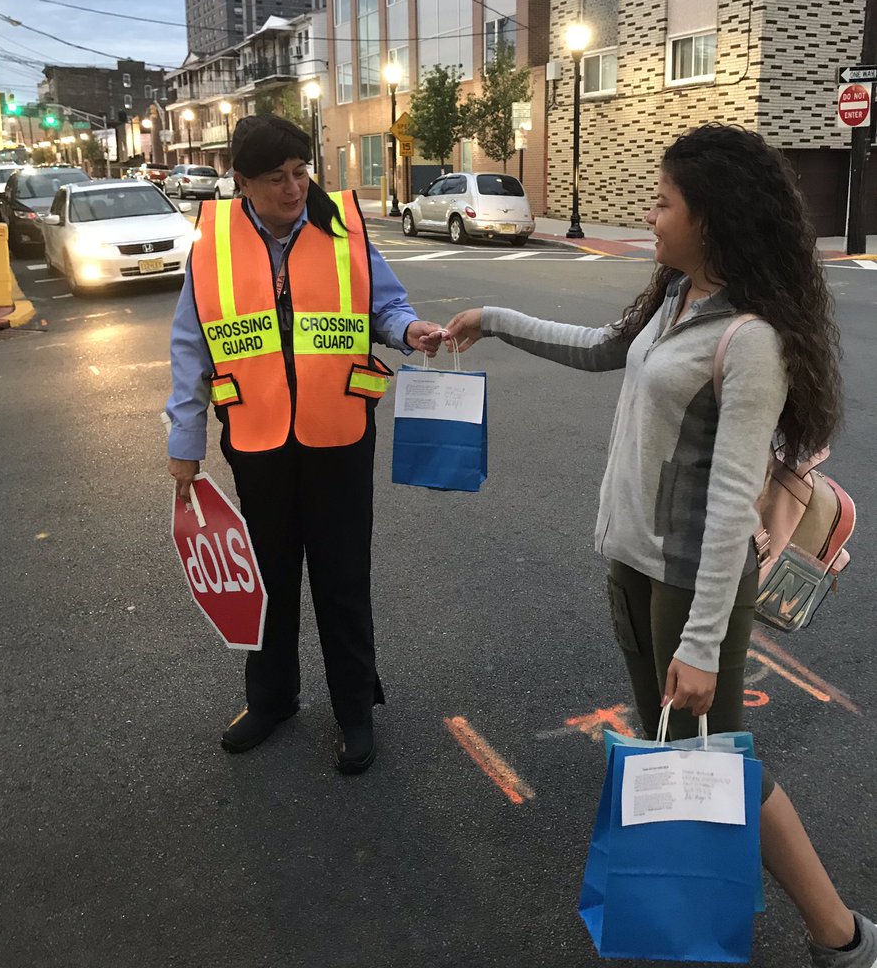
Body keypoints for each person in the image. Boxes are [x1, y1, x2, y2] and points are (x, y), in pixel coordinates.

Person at [439, 124, 875, 966]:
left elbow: (727, 508)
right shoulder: (676, 300)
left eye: (664, 201)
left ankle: (840, 935)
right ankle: (771, 929)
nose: (651, 212)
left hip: (690, 584)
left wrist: (704, 642)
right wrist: (489, 319)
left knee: (710, 760)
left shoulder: (750, 340)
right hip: (634, 567)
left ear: (709, 217)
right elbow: (602, 349)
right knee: (684, 750)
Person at [166, 114, 442, 775]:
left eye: (300, 172)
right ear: (242, 182)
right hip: (256, 437)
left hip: (340, 434)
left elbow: (385, 306)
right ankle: (271, 700)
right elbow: (189, 340)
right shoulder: (215, 243)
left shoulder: (341, 225)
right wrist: (186, 434)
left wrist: (409, 333)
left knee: (343, 577)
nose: (294, 189)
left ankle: (353, 709)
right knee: (269, 578)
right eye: (276, 178)